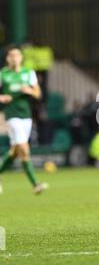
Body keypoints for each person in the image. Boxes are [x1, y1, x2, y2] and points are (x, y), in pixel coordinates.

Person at [0, 45, 48, 194]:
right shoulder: (3, 74)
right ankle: (35, 184)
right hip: (11, 115)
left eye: (17, 55)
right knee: (24, 148)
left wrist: (30, 91)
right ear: (7, 59)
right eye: (11, 55)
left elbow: (38, 93)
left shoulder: (29, 73)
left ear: (21, 58)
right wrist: (1, 98)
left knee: (15, 151)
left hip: (26, 115)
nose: (14, 58)